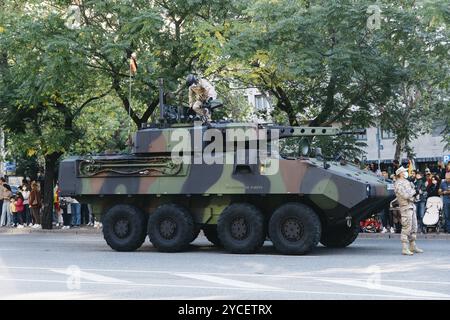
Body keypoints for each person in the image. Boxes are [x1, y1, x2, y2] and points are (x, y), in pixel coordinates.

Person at [394, 166, 423, 255]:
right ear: (400, 173)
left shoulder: (407, 182)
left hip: (411, 205)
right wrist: (415, 192)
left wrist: (417, 192)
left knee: (414, 226)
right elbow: (405, 195)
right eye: (404, 171)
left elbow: (414, 193)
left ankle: (412, 245)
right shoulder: (398, 184)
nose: (406, 172)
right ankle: (405, 248)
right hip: (405, 207)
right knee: (407, 227)